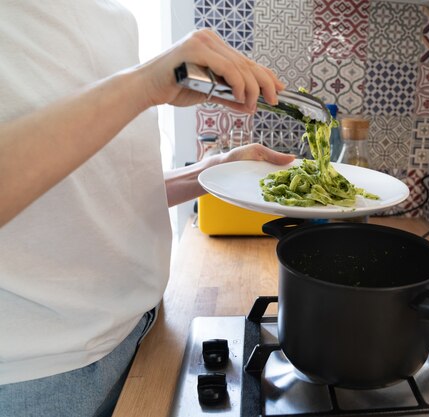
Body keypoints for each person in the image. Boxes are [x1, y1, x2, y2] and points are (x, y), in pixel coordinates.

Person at [0, 1, 294, 416]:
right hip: (45, 374)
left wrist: (207, 172)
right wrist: (143, 84)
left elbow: (98, 189)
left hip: (147, 327)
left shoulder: (114, 18)